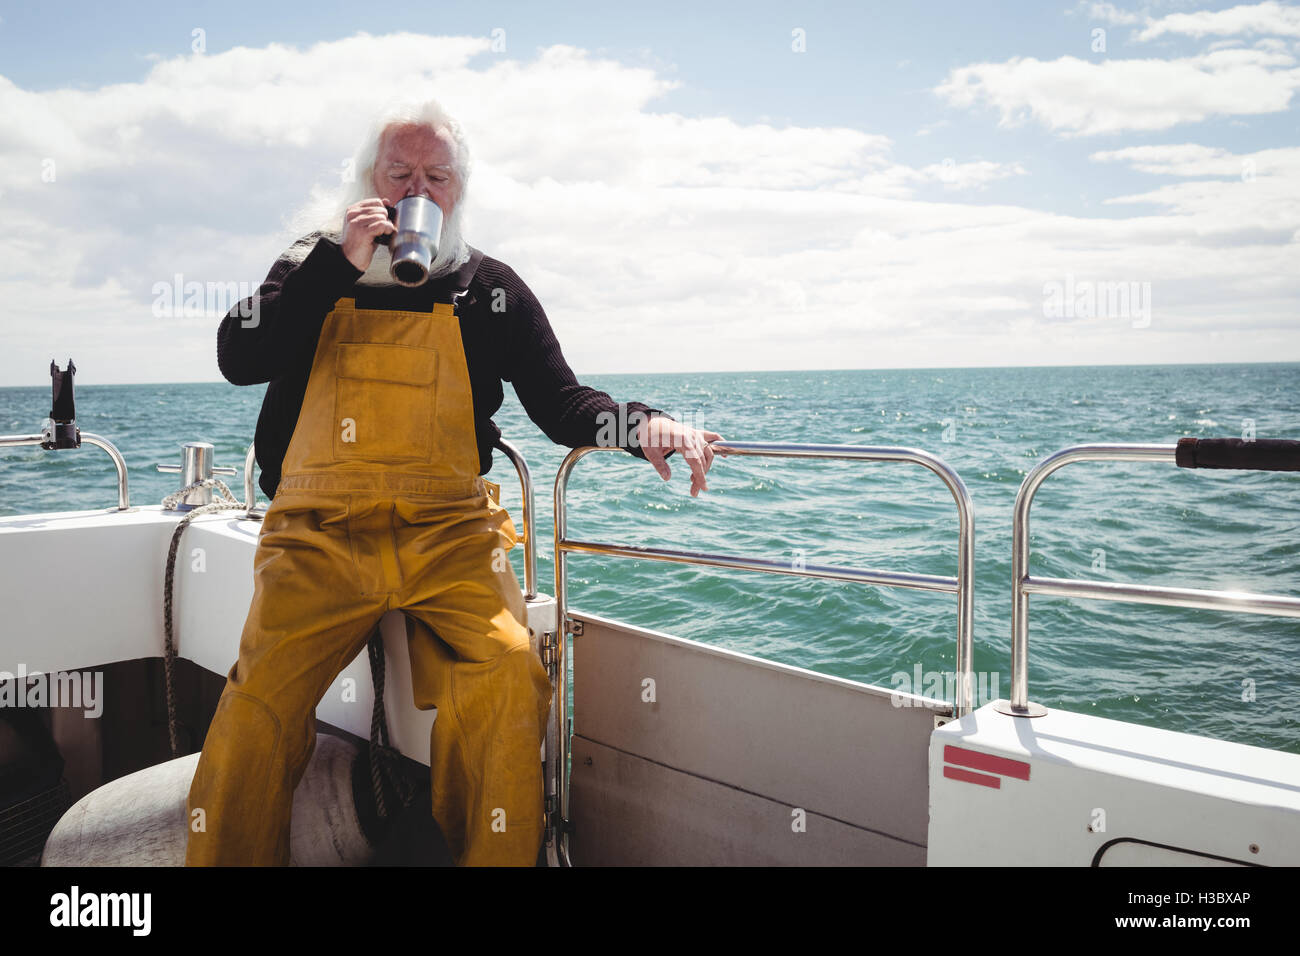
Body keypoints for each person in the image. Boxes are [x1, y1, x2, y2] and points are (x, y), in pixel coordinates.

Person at [186, 98, 725, 866]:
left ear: (458, 191)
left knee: (508, 675)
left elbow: (563, 404)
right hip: (317, 535)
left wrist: (643, 428)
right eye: (399, 172)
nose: (418, 190)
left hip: (450, 534)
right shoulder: (312, 263)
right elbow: (238, 358)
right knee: (259, 703)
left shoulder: (485, 285)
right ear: (365, 182)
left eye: (436, 176)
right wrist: (338, 263)